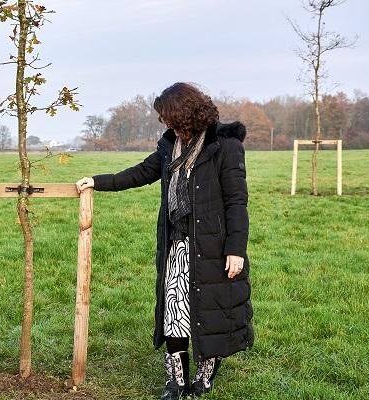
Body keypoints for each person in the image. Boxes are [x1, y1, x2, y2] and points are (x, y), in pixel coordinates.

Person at [76, 82, 252, 399]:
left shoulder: (225, 146)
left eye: (168, 116)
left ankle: (206, 372)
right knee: (174, 311)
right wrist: (96, 181)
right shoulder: (170, 144)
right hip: (177, 244)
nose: (165, 123)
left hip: (212, 245)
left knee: (209, 310)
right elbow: (141, 173)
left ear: (184, 113)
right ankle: (176, 381)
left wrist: (236, 250)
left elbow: (236, 203)